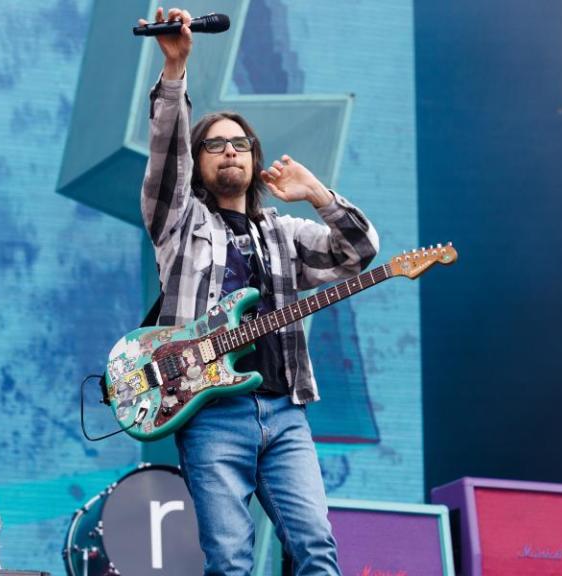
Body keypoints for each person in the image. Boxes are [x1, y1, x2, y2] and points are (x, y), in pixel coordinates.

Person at [137, 7, 379, 574]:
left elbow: (359, 253)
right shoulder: (180, 224)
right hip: (212, 415)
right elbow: (164, 160)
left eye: (240, 144)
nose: (229, 151)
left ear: (255, 159)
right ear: (198, 163)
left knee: (317, 549)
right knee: (231, 562)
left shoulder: (285, 234)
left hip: (285, 410)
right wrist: (176, 71)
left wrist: (318, 194)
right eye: (215, 145)